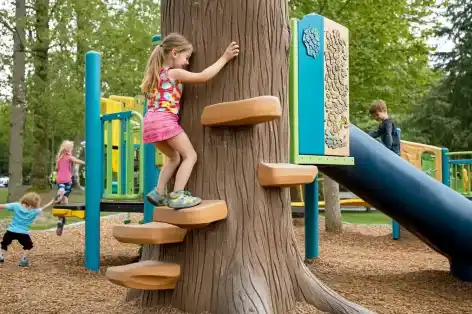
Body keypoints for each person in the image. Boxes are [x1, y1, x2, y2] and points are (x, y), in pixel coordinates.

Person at [141, 33, 239, 209]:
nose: (187, 62)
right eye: (186, 57)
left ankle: (158, 191)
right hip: (165, 121)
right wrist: (225, 58)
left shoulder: (155, 76)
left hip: (149, 125)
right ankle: (177, 195)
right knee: (190, 155)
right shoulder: (174, 73)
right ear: (174, 53)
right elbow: (203, 76)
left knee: (173, 158)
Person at [0, 192, 55, 267]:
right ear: (35, 202)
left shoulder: (16, 205)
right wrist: (52, 202)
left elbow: (2, 206)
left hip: (11, 231)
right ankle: (23, 260)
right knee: (28, 245)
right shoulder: (35, 211)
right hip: (23, 233)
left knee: (4, 243)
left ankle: (1, 257)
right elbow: (44, 207)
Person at [55, 140, 85, 236]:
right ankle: (62, 195)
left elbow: (56, 168)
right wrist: (86, 163)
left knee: (61, 200)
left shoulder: (59, 157)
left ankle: (61, 220)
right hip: (68, 180)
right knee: (65, 199)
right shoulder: (69, 157)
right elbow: (77, 161)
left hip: (60, 180)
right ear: (69, 149)